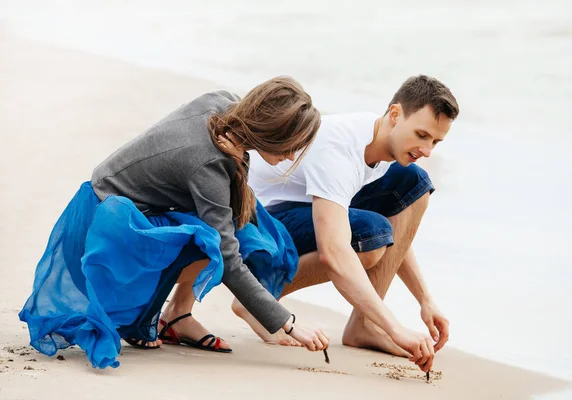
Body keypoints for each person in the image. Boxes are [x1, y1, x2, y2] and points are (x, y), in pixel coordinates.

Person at [19, 76, 329, 369]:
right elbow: (229, 260)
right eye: (291, 146)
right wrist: (289, 323)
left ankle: (177, 315)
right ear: (271, 132)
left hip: (128, 210)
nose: (291, 157)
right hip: (106, 230)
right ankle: (141, 317)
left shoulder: (223, 106)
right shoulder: (209, 165)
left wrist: (235, 163)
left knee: (247, 228)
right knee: (217, 244)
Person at [232, 75, 459, 373]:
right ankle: (260, 298)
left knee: (414, 182)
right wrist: (395, 327)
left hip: (299, 206)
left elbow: (398, 237)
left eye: (435, 141)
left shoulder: (379, 139)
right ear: (394, 114)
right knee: (370, 235)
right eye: (421, 135)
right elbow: (335, 251)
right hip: (258, 221)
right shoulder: (340, 150)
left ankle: (364, 326)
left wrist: (425, 300)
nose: (427, 149)